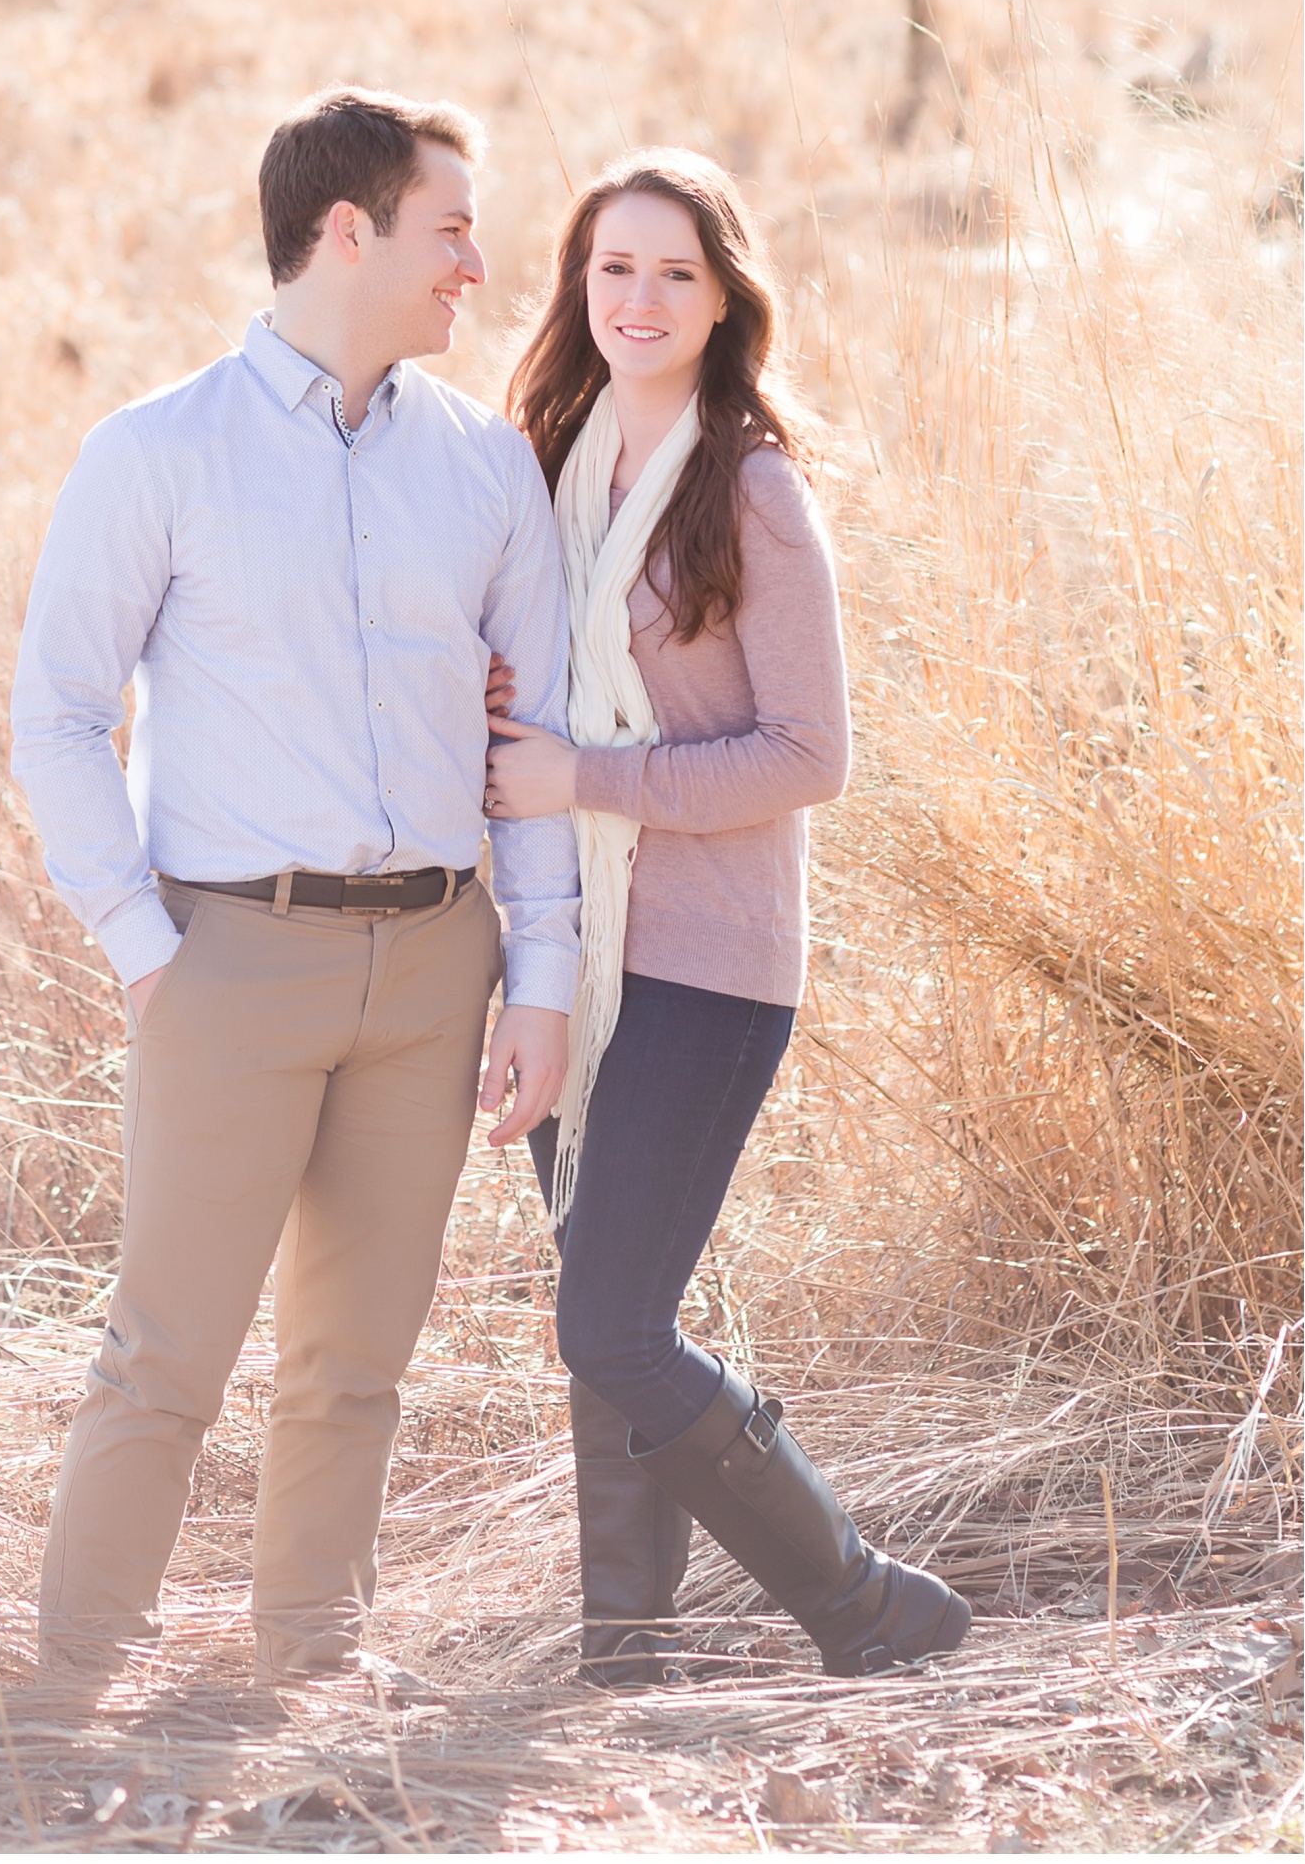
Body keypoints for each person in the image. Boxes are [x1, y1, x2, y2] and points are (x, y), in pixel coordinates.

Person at [11, 86, 578, 1684]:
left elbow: (528, 741)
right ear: (350, 231)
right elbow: (57, 713)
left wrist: (536, 975)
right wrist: (142, 943)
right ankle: (65, 1689)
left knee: (356, 1367)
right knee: (164, 1359)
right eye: (450, 227)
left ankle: (304, 1677)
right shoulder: (155, 453)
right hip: (226, 961)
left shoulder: (485, 469)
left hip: (436, 968)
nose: (477, 263)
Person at [483, 149, 970, 1685]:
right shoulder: (545, 463)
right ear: (577, 287)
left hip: (708, 964)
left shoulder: (749, 486)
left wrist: (587, 771)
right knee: (595, 1305)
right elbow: (529, 687)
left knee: (614, 1322)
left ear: (721, 299)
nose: (640, 298)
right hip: (568, 946)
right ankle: (625, 1646)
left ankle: (866, 1601)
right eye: (614, 268)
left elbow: (810, 756)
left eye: (675, 273)